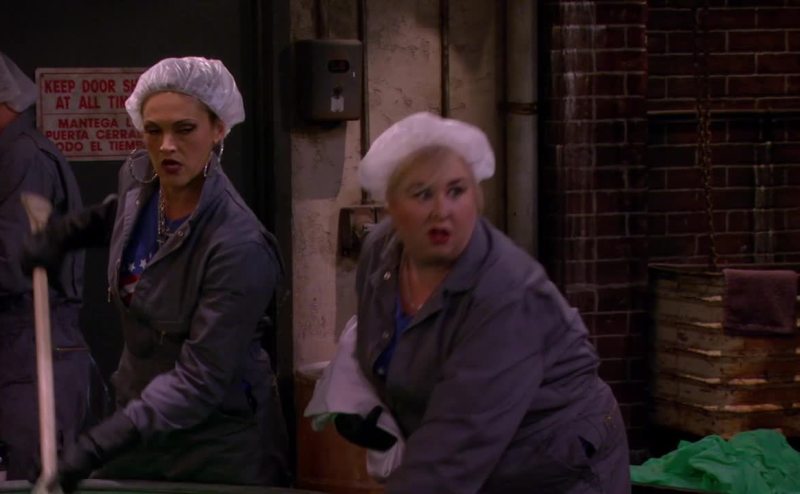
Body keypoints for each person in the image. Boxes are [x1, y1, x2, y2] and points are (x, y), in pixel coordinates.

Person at [23, 56, 290, 491]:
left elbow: (200, 379)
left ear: (218, 128)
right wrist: (66, 234)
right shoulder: (139, 177)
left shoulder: (239, 246)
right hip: (140, 424)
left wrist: (97, 444)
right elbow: (125, 215)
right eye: (153, 130)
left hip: (217, 445)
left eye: (184, 129)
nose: (166, 146)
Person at [342, 112, 631, 493]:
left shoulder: (508, 293)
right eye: (422, 193)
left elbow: (455, 451)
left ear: (477, 199)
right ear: (393, 206)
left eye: (456, 191)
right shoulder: (381, 253)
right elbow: (379, 342)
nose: (441, 210)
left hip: (556, 467)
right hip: (477, 463)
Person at [0, 52, 91, 480]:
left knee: (31, 477)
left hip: (33, 346)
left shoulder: (23, 158)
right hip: (18, 347)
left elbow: (14, 265)